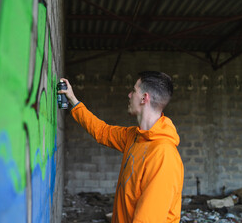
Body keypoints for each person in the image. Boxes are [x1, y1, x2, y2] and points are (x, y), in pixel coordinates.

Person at [59, 71, 184, 222]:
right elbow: (101, 132)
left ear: (144, 98)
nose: (129, 95)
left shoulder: (164, 156)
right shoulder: (134, 136)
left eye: (134, 91)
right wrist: (73, 101)